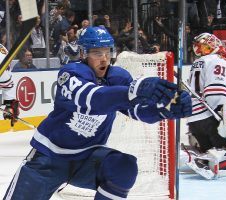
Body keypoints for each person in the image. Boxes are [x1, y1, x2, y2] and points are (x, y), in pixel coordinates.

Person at [4, 26, 192, 199]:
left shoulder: (117, 77)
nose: (104, 58)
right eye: (96, 52)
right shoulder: (70, 74)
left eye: (107, 52)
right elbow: (94, 100)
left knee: (123, 167)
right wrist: (135, 89)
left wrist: (165, 110)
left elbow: (137, 111)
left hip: (87, 159)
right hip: (49, 159)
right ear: (84, 54)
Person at [180, 33, 226, 179]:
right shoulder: (219, 61)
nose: (203, 50)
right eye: (201, 48)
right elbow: (215, 91)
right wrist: (222, 116)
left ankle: (197, 158)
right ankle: (210, 162)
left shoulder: (197, 63)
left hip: (194, 121)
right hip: (212, 118)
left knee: (209, 149)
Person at [0, 44, 19, 127]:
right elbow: (7, 86)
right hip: (5, 77)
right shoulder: (2, 48)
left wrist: (9, 105)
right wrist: (9, 105)